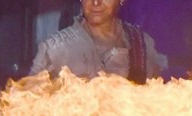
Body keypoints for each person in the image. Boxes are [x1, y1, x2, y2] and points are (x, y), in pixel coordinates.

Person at [29, 0, 168, 82]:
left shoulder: (142, 45)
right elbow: (29, 101)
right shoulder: (54, 49)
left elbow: (156, 101)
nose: (95, 3)